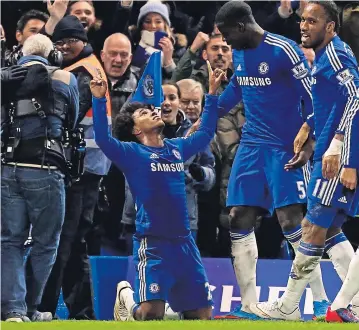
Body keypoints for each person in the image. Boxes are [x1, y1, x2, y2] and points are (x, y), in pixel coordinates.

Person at [213, 0, 329, 320]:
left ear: (241, 27)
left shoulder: (284, 50)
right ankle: (248, 306)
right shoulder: (239, 52)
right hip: (251, 145)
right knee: (237, 217)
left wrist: (310, 143)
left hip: (285, 145)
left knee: (291, 222)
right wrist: (210, 112)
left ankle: (321, 301)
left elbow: (313, 97)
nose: (224, 42)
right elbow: (237, 88)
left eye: (226, 34)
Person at [90, 60, 225, 321]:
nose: (153, 112)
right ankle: (127, 300)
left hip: (185, 242)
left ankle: (171, 310)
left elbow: (207, 131)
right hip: (153, 244)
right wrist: (98, 99)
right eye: (144, 114)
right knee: (151, 314)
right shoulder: (131, 152)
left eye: (152, 110)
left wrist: (212, 93)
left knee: (202, 316)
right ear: (136, 130)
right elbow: (103, 138)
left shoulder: (176, 147)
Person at [250, 1, 359, 322]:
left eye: (313, 21)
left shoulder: (337, 56)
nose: (304, 26)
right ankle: (349, 304)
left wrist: (345, 154)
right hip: (329, 153)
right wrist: (309, 127)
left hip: (337, 159)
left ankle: (287, 306)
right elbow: (332, 103)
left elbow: (356, 100)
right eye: (303, 20)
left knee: (312, 228)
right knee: (330, 229)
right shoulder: (326, 56)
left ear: (330, 27)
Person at [1, 33, 79, 322]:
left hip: (8, 168)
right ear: (53, 55)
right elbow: (70, 120)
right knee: (45, 243)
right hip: (46, 169)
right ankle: (31, 307)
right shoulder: (65, 79)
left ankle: (13, 310)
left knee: (9, 241)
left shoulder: (5, 78)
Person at [39, 15, 111, 320]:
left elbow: (68, 114)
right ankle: (82, 311)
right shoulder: (88, 66)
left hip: (79, 171)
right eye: (61, 41)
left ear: (83, 40)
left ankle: (44, 307)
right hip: (88, 169)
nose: (66, 46)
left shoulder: (82, 72)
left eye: (71, 40)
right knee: (75, 242)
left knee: (64, 241)